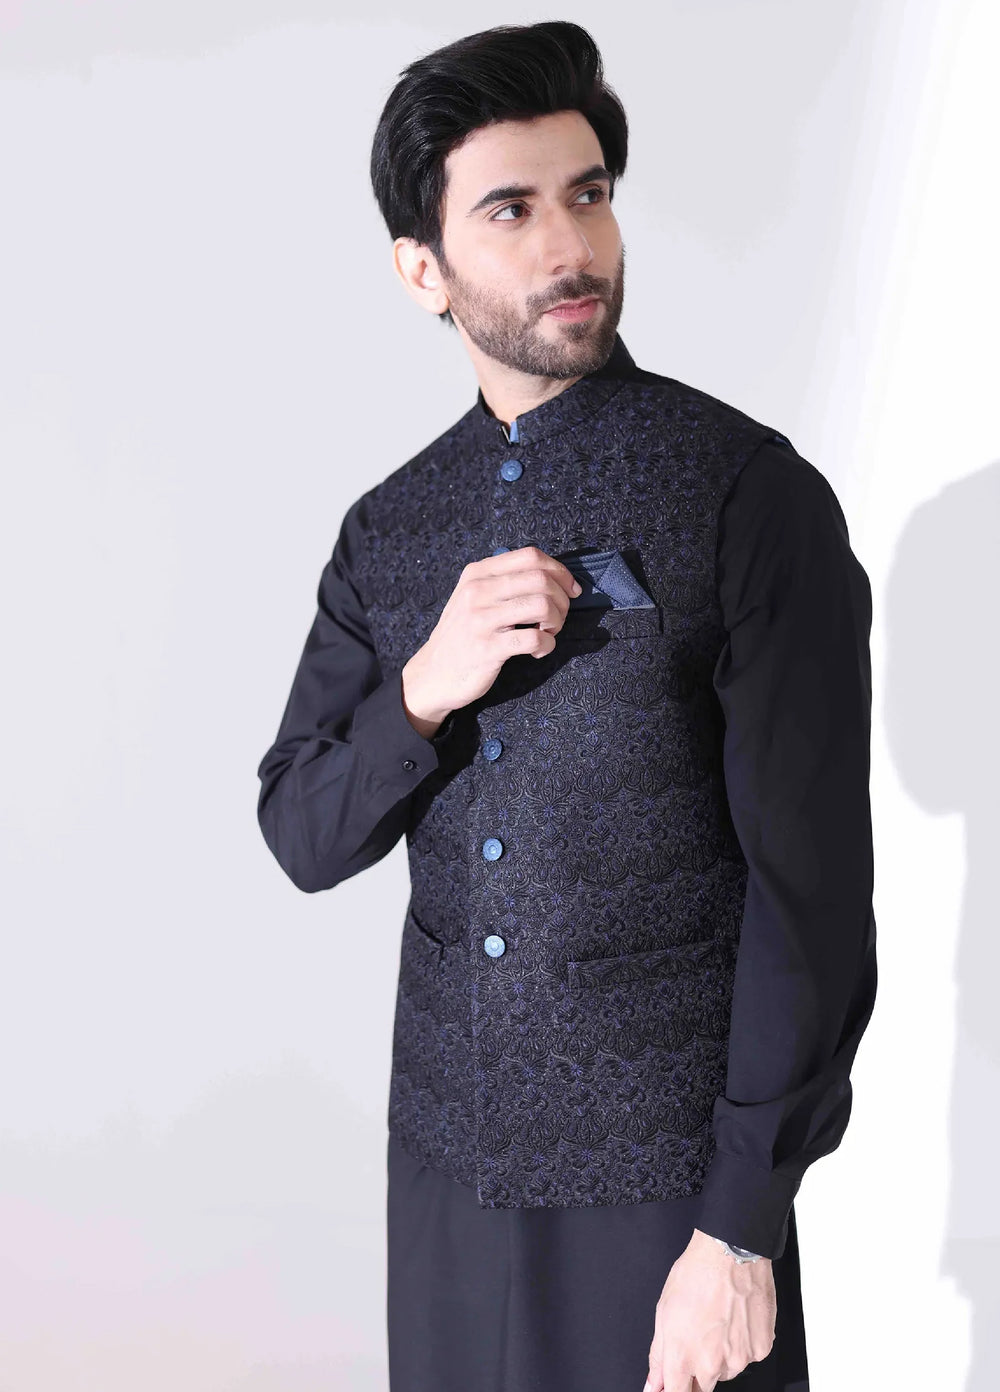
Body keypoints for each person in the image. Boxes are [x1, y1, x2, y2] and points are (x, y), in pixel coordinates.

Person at [256, 21, 877, 1392]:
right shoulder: (388, 531)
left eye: (588, 195)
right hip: (447, 1183)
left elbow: (813, 898)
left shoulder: (747, 495)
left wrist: (741, 1227)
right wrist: (425, 687)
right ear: (423, 269)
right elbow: (301, 828)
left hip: (670, 1196)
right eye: (512, 209)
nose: (570, 246)